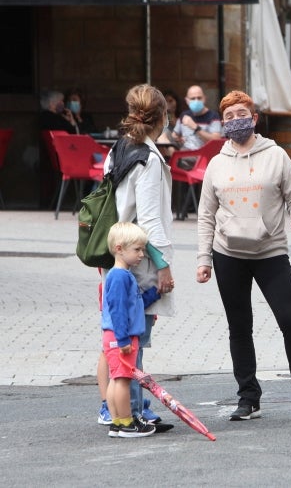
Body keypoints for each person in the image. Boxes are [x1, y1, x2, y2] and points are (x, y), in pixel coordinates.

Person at [196, 90, 291, 421]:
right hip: (228, 254)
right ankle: (248, 398)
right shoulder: (216, 164)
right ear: (222, 123)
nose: (235, 121)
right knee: (239, 327)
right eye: (228, 116)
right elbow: (206, 216)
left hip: (270, 251)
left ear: (254, 118)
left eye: (241, 114)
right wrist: (203, 259)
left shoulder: (276, 155)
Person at [103, 83, 176, 429]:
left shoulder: (118, 148)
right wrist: (163, 267)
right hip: (138, 258)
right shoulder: (147, 158)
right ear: (162, 116)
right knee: (133, 340)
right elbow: (149, 221)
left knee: (111, 337)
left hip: (115, 251)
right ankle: (130, 412)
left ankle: (111, 407)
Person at [101, 222, 160, 438]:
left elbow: (134, 304)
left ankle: (116, 422)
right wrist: (124, 339)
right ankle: (126, 422)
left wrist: (155, 294)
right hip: (121, 337)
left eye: (142, 249)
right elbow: (118, 310)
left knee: (116, 378)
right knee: (123, 379)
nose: (142, 255)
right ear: (119, 248)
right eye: (137, 250)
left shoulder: (122, 275)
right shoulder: (120, 277)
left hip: (115, 336)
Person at [172, 85, 223, 151]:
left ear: (204, 98)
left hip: (204, 154)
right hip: (185, 153)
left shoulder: (213, 116)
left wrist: (195, 127)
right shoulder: (184, 115)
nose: (196, 101)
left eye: (199, 98)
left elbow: (216, 140)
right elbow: (175, 134)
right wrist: (176, 137)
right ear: (187, 100)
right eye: (193, 99)